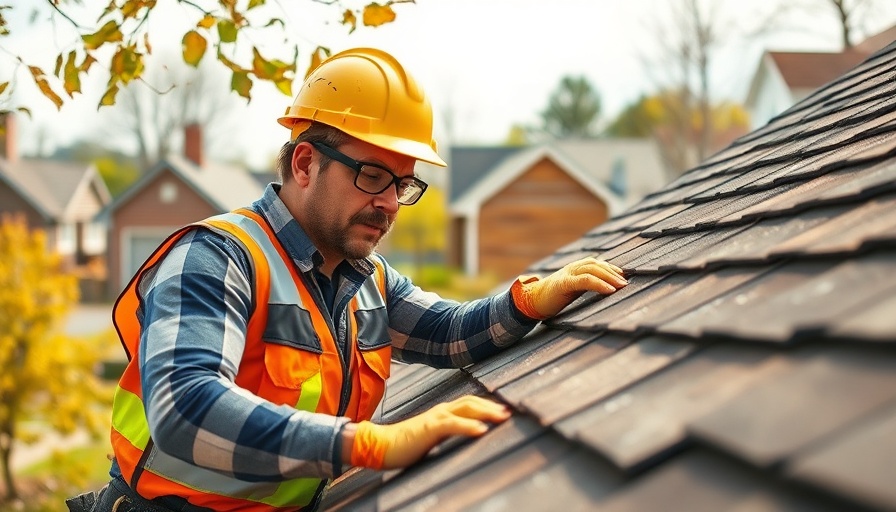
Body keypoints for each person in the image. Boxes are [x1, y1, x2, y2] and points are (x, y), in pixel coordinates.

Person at [70, 47, 627, 512]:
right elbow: (183, 408)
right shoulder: (217, 258)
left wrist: (529, 302)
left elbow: (448, 333)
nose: (389, 203)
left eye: (403, 184)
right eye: (372, 175)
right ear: (306, 164)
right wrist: (365, 444)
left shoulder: (365, 280)